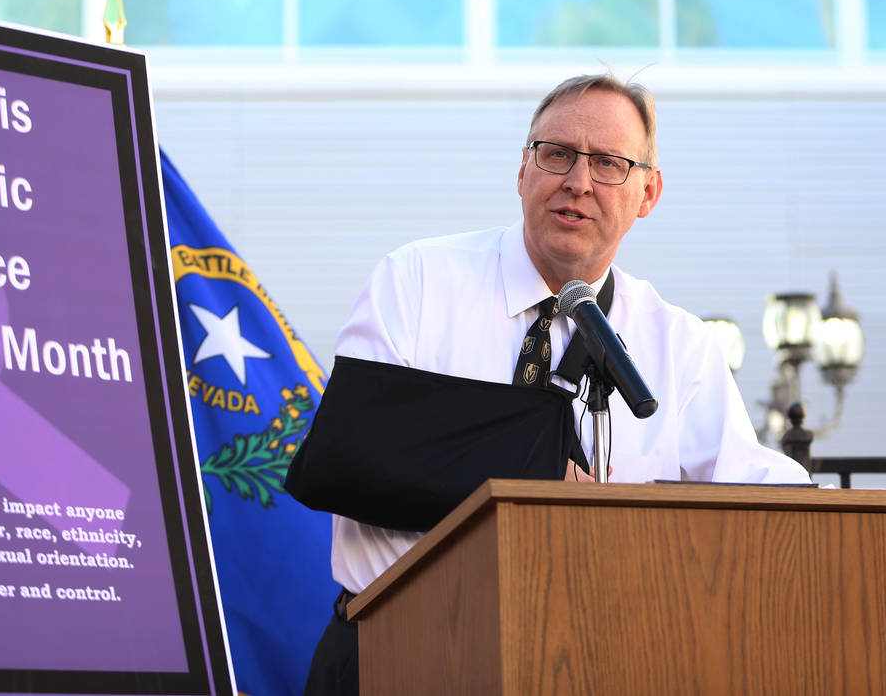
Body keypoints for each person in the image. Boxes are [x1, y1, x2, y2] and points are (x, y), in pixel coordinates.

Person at [302, 73, 812, 695]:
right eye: (558, 154)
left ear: (648, 192)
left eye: (608, 163)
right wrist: (536, 475)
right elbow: (352, 456)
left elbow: (752, 486)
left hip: (587, 662)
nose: (578, 181)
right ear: (523, 171)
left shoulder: (679, 345)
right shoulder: (418, 281)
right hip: (396, 650)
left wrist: (863, 525)